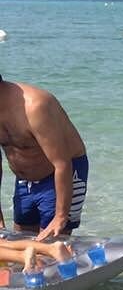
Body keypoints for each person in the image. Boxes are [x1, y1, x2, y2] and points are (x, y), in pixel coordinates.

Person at [0, 75, 89, 241]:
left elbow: (62, 163)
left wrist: (61, 216)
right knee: (20, 241)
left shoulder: (35, 106)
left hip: (64, 173)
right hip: (24, 182)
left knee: (50, 245)